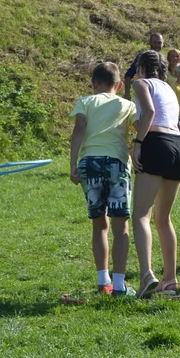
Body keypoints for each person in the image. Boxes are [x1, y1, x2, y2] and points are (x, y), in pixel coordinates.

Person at [69, 62, 137, 296]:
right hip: (116, 164)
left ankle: (102, 282)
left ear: (93, 84)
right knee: (121, 225)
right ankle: (119, 286)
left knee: (99, 224)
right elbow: (140, 128)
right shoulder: (127, 104)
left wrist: (73, 165)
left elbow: (78, 130)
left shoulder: (85, 102)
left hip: (89, 163)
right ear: (119, 85)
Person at [130, 49, 180, 298]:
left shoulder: (141, 83)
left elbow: (150, 113)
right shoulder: (170, 89)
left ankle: (146, 275)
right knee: (164, 219)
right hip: (177, 147)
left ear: (142, 67)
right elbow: (177, 122)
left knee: (141, 214)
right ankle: (170, 279)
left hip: (156, 142)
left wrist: (138, 143)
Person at [125, 33, 164, 99]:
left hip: (159, 94)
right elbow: (128, 75)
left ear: (163, 43)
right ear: (150, 43)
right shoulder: (142, 57)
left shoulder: (164, 60)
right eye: (154, 42)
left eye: (159, 43)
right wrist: (127, 93)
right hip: (144, 93)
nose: (157, 45)